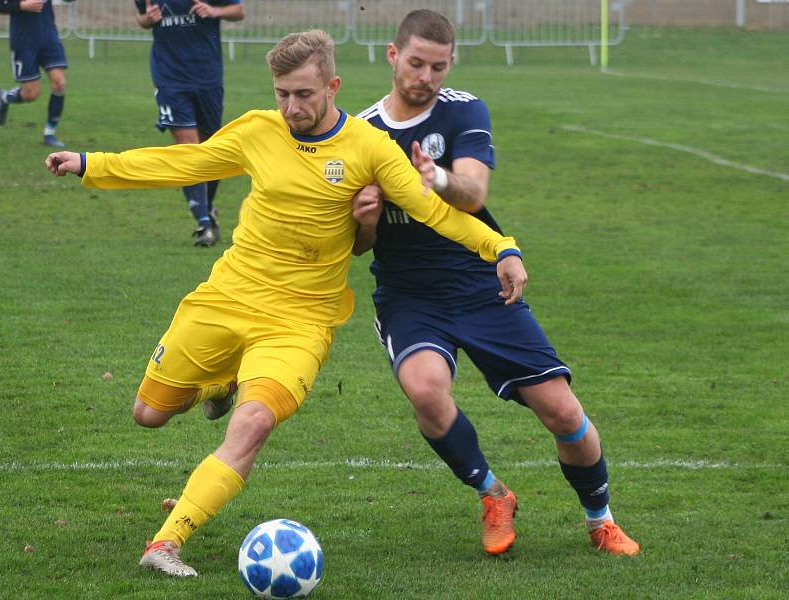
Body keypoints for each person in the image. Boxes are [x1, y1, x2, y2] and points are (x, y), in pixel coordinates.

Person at [45, 29, 527, 577]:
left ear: (332, 86)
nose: (292, 107)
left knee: (251, 424)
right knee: (149, 414)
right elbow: (185, 164)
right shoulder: (257, 130)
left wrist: (501, 247)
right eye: (282, 94)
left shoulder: (371, 149)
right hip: (227, 298)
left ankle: (166, 542)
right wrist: (90, 163)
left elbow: (434, 211)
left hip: (301, 321)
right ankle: (217, 383)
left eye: (303, 94)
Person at [351, 9, 639, 557]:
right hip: (409, 294)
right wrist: (366, 217)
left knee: (562, 411)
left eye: (438, 66)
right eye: (415, 63)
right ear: (392, 56)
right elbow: (360, 246)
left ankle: (600, 519)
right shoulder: (362, 133)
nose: (426, 77)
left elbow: (474, 193)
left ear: (450, 62)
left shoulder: (465, 112)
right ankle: (493, 494)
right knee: (426, 391)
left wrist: (431, 177)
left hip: (480, 283)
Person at [134, 0, 245, 247]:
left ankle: (207, 208)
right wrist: (148, 19)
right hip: (170, 79)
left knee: (210, 149)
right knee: (188, 148)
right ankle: (204, 223)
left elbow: (238, 11)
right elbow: (141, 18)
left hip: (208, 78)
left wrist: (215, 11)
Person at [0, 0, 70, 147]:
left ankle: (49, 134)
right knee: (31, 94)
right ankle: (5, 97)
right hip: (24, 41)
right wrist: (22, 5)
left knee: (59, 83)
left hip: (49, 37)